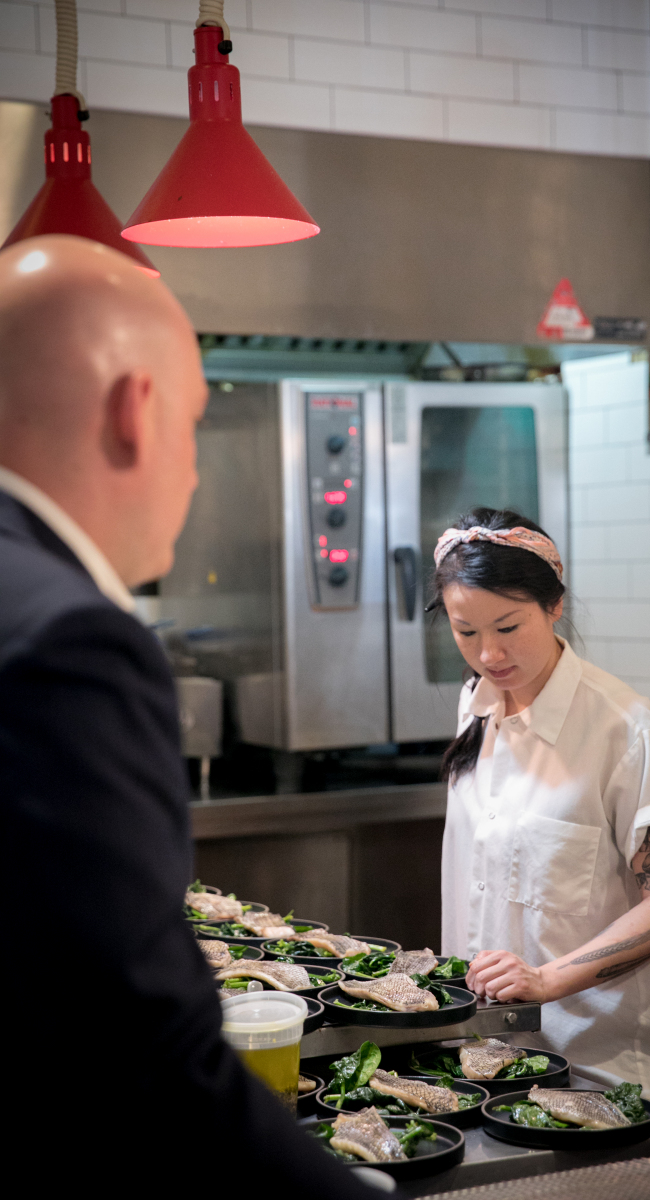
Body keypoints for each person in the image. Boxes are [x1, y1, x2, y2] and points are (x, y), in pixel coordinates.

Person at [0, 235, 373, 1193]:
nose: (198, 473)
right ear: (136, 410)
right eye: (197, 424)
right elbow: (147, 1060)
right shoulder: (68, 640)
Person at [434, 507, 650, 1111]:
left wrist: (545, 981)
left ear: (554, 606)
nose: (489, 653)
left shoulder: (625, 730)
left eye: (508, 626)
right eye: (466, 632)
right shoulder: (476, 705)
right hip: (486, 1062)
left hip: (599, 1075)